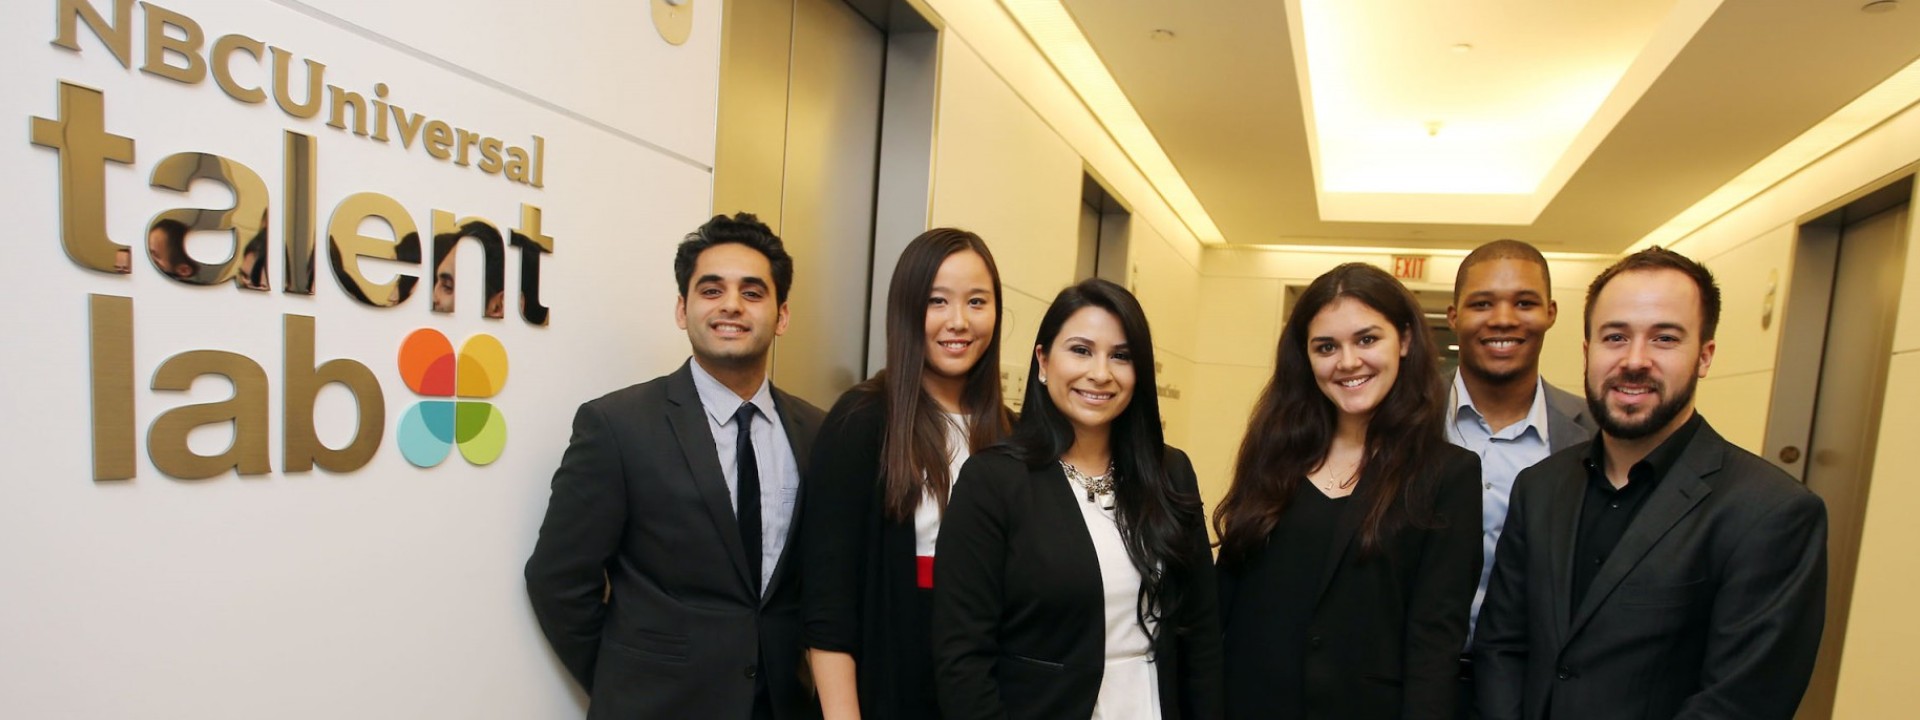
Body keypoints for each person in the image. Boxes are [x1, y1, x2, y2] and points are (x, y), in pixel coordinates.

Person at [1473, 247, 1828, 720]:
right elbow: (1502, 646)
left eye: (1664, 338)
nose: (1634, 361)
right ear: (1588, 351)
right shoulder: (1539, 487)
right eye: (1615, 337)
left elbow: (1742, 701)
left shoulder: (1772, 512)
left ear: (1704, 356)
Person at [524, 213, 826, 720]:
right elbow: (557, 579)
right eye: (711, 290)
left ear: (782, 316)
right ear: (683, 310)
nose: (731, 305)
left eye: (752, 293)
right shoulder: (617, 426)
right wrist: (623, 685)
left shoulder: (818, 432)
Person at [933, 278, 1223, 720]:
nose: (1101, 373)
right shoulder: (994, 481)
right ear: (1044, 361)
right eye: (1081, 350)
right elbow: (961, 657)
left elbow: (1200, 631)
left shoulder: (1170, 472)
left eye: (1121, 356)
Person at [1214, 262, 1482, 720]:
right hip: (1248, 702)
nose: (1348, 362)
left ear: (1406, 341)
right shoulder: (1272, 454)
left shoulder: (1447, 474)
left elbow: (1434, 643)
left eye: (1367, 339)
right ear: (1306, 356)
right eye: (1326, 347)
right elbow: (1225, 604)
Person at [800, 229, 1013, 719]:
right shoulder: (862, 420)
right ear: (906, 309)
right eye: (937, 301)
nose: (958, 321)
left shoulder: (1014, 435)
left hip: (982, 696)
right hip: (887, 689)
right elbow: (828, 602)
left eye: (976, 301)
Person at [1444, 240, 1597, 713]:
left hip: (1533, 693)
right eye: (1482, 303)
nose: (1504, 319)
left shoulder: (1596, 433)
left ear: (1551, 313)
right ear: (1453, 316)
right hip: (1404, 684)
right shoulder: (1397, 421)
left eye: (1524, 303)